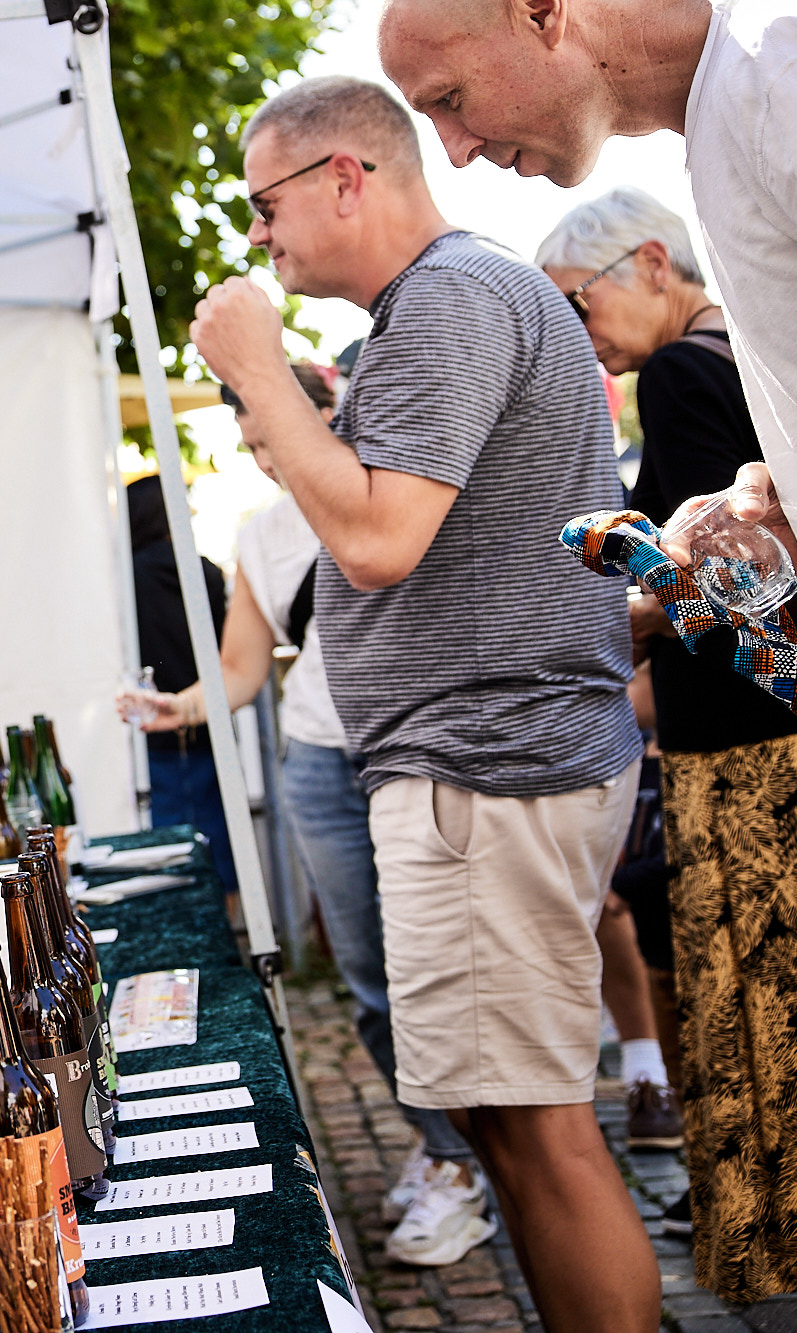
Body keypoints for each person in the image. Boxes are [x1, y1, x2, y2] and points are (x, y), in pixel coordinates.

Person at [188, 76, 653, 1333]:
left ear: (343, 176)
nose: (257, 237)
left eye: (264, 204)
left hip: (485, 767)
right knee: (507, 1130)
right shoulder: (448, 299)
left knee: (539, 1134)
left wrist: (257, 374)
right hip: (485, 763)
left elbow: (376, 538)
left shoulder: (447, 297)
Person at [123, 364, 492, 1266]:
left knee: (444, 968)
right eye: (251, 446)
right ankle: (449, 1153)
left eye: (274, 437)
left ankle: (484, 1155)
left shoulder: (392, 494)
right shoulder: (260, 533)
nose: (267, 460)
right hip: (321, 763)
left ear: (330, 414)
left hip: (423, 753)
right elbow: (240, 668)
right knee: (369, 976)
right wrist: (180, 706)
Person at [537, 185, 797, 1301]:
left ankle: (779, 1241)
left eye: (578, 302)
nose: (579, 333)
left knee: (760, 999)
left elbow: (735, 596)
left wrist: (635, 604)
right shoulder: (744, 354)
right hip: (784, 733)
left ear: (652, 263)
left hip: (751, 747)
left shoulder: (676, 372)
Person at [374, 0, 797, 607]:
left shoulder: (784, 70)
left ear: (541, 12)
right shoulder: (743, 100)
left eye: (450, 98)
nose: (454, 151)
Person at [123, 473, 237, 894]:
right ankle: (228, 927)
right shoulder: (205, 572)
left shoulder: (126, 578)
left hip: (155, 726)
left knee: (171, 854)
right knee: (220, 843)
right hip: (208, 719)